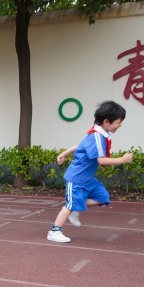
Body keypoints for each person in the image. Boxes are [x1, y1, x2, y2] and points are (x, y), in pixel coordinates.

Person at [47, 101, 133, 243]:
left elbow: (80, 146)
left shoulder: (99, 133)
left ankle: (75, 206)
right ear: (106, 122)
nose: (120, 125)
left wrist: (64, 153)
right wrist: (122, 160)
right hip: (76, 178)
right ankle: (54, 231)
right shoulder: (97, 136)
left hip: (87, 179)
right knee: (70, 205)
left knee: (103, 197)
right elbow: (101, 160)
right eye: (119, 122)